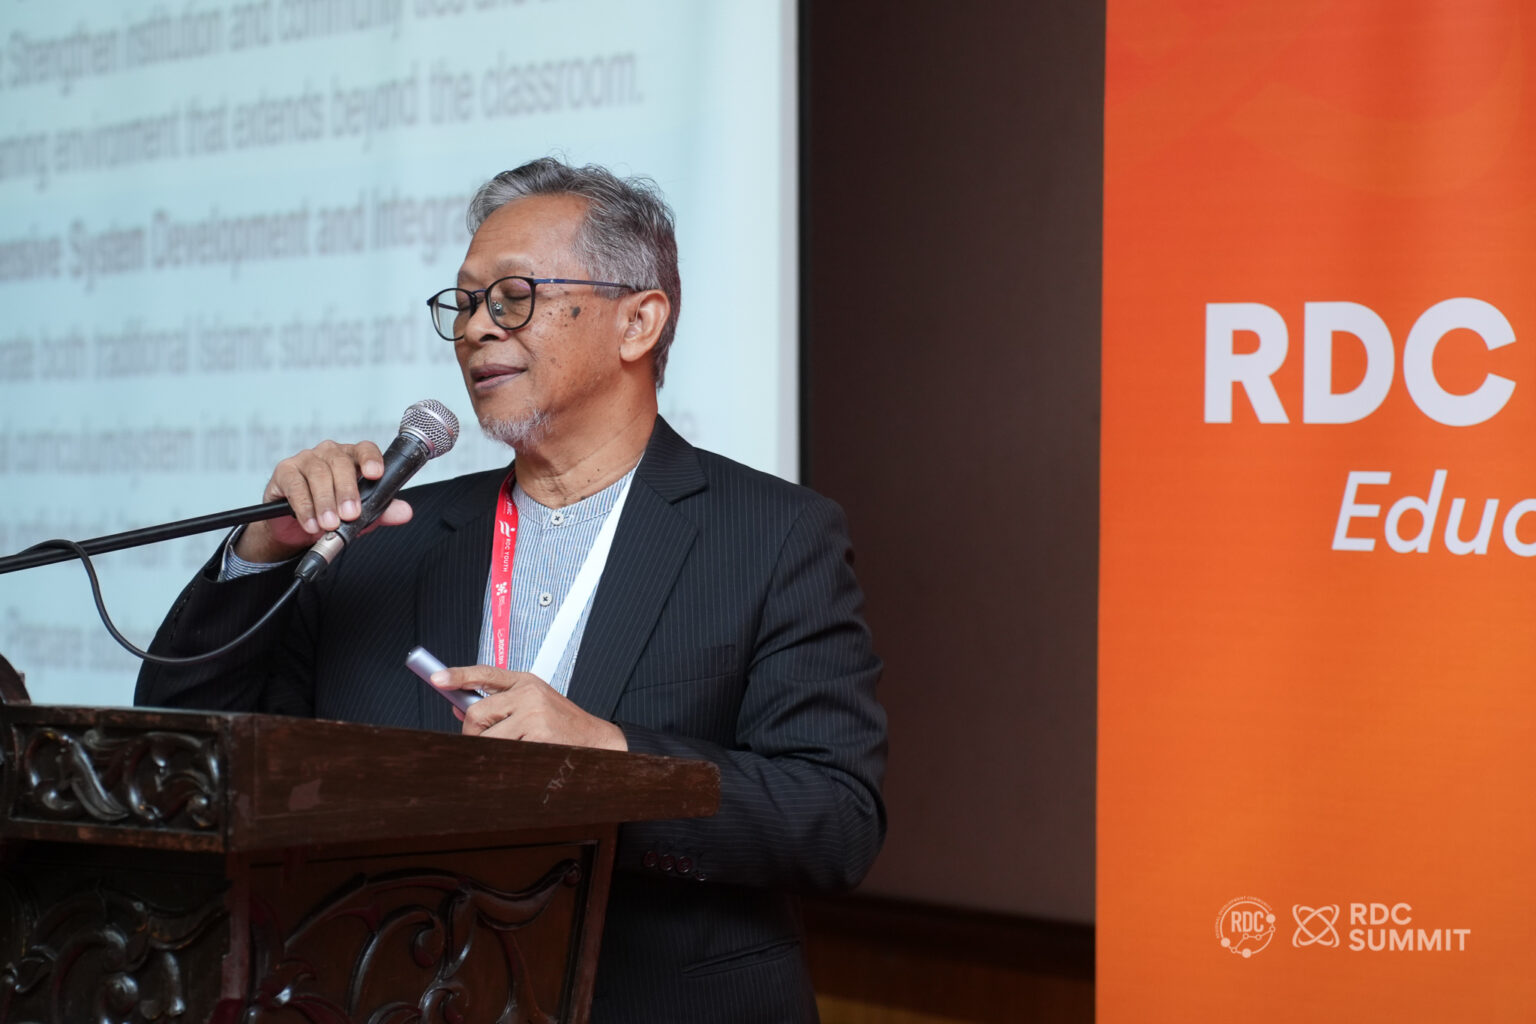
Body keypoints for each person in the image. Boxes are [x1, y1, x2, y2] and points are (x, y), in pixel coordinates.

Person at [136, 157, 887, 1023]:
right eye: (463, 304)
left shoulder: (772, 536)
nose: (475, 329)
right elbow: (180, 749)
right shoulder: (384, 540)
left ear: (637, 321)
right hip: (397, 995)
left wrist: (609, 756)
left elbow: (837, 821)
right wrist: (265, 549)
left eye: (512, 297)